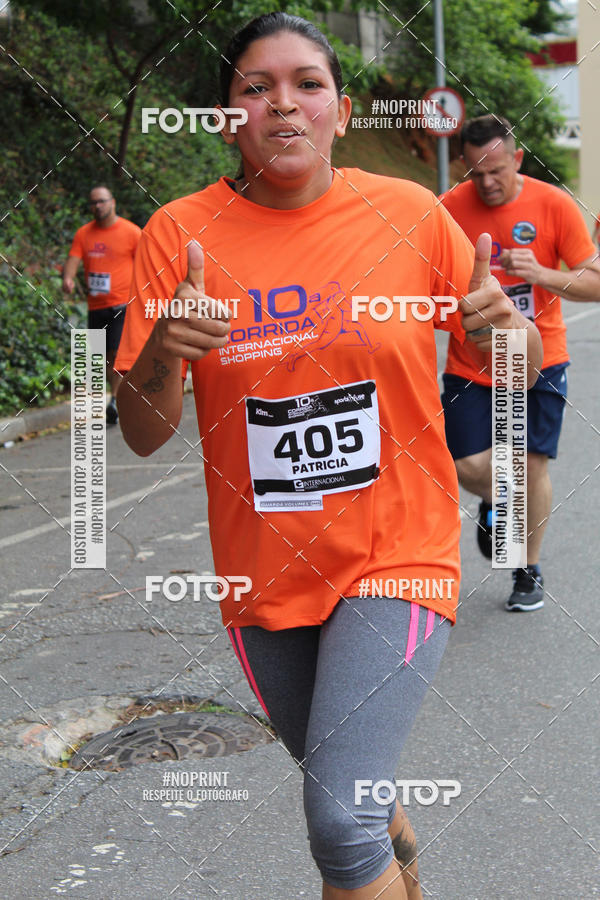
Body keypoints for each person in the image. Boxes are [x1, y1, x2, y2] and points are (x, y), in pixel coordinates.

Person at [115, 15, 542, 898]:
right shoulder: (178, 235)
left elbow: (512, 366)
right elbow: (144, 431)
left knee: (339, 822)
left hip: (399, 552)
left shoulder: (409, 215)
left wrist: (511, 335)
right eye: (254, 87)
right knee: (357, 791)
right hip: (265, 574)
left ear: (341, 111)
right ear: (225, 117)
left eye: (307, 83)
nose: (284, 104)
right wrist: (164, 350)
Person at [440, 115, 600, 612]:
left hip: (539, 358)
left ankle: (526, 568)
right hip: (471, 363)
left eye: (497, 171)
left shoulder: (553, 205)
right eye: (475, 173)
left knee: (530, 465)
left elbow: (594, 283)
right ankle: (496, 503)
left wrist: (544, 275)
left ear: (518, 159)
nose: (486, 183)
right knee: (466, 464)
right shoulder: (448, 209)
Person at [63, 185, 141, 423]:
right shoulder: (84, 234)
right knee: (104, 357)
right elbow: (73, 260)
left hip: (121, 304)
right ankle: (118, 396)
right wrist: (67, 278)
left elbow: (146, 262)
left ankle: (115, 401)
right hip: (96, 305)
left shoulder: (131, 232)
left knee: (117, 353)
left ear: (113, 202)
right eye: (93, 203)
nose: (97, 206)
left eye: (101, 201)